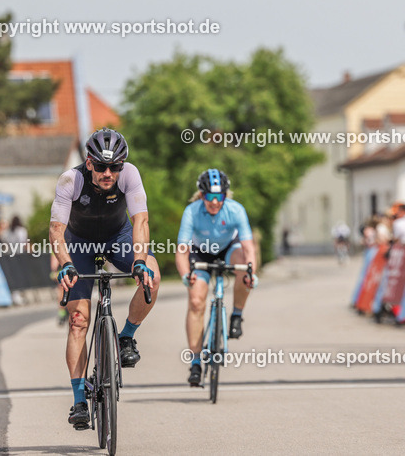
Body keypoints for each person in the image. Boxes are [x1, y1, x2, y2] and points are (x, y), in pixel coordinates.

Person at [51, 128, 160, 429]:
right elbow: (56, 230)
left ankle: (126, 337)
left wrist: (139, 260)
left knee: (153, 274)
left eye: (115, 167)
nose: (108, 173)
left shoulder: (130, 175)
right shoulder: (69, 181)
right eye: (100, 166)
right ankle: (78, 400)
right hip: (80, 244)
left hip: (118, 237)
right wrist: (64, 264)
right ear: (89, 163)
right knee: (78, 321)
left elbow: (141, 220)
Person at [176, 169, 257, 388]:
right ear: (201, 195)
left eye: (219, 196)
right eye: (209, 197)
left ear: (225, 195)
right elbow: (182, 250)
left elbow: (249, 248)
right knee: (196, 301)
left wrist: (251, 273)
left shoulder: (235, 210)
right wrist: (186, 276)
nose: (214, 202)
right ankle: (195, 361)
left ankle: (237, 314)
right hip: (199, 252)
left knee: (244, 268)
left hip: (228, 249)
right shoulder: (192, 211)